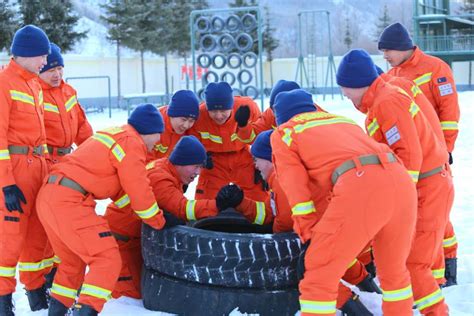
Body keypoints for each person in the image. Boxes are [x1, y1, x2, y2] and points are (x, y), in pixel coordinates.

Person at [270, 88, 417, 315]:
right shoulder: (343, 121)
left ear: (280, 118)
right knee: (394, 275)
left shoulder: (284, 133)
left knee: (318, 273)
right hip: (401, 180)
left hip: (361, 183)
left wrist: (309, 236)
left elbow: (297, 192)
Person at [337, 49, 454, 315]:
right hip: (423, 186)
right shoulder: (380, 101)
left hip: (427, 188)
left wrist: (401, 199)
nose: (344, 95)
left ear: (358, 84)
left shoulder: (386, 101)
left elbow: (408, 154)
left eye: (345, 88)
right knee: (408, 262)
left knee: (415, 264)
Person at [217, 130, 381, 314]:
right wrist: (241, 203)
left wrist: (275, 240)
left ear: (270, 158)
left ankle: (357, 310)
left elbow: (285, 221)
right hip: (343, 227)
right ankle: (372, 293)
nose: (254, 165)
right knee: (337, 257)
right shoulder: (282, 178)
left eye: (256, 159)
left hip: (333, 231)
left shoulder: (281, 180)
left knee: (314, 271)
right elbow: (272, 213)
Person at [36, 104, 167, 316]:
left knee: (72, 263)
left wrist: (145, 211)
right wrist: (159, 220)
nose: (159, 141)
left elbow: (123, 193)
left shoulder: (117, 135)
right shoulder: (132, 143)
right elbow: (139, 189)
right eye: (159, 134)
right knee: (106, 258)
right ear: (149, 131)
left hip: (50, 196)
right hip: (71, 201)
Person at [378, 22, 460, 285]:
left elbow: (449, 113)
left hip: (434, 154)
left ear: (403, 47)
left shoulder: (436, 69)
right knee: (424, 215)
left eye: (388, 50)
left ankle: (448, 264)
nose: (385, 56)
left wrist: (446, 148)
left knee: (437, 214)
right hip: (412, 156)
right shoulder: (391, 74)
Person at [104, 135, 217, 299]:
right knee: (127, 298)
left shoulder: (166, 167)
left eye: (201, 167)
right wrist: (218, 205)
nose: (198, 173)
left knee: (143, 292)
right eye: (196, 166)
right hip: (118, 244)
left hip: (134, 241)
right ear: (181, 161)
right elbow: (183, 209)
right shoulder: (160, 178)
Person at [0, 24, 53, 313]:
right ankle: (3, 300)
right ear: (25, 54)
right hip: (16, 172)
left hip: (39, 168)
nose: (45, 62)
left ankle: (35, 292)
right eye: (41, 56)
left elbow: (42, 134)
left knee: (37, 234)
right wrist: (6, 183)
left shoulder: (34, 84)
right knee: (10, 240)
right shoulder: (4, 83)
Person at [189, 81, 268, 202]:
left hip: (243, 158)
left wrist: (263, 162)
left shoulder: (247, 108)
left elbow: (261, 135)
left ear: (231, 106)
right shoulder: (199, 116)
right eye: (213, 111)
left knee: (259, 198)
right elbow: (192, 142)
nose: (219, 116)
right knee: (205, 202)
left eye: (224, 111)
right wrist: (201, 158)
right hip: (213, 162)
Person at [39, 43, 93, 165]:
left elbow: (82, 126)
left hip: (68, 159)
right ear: (39, 71)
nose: (57, 74)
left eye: (59, 68)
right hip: (44, 162)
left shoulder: (69, 91)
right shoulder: (34, 95)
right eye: (51, 70)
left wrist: (93, 151)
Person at [146, 90, 199, 162]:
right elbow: (143, 160)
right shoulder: (152, 124)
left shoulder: (191, 131)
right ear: (172, 114)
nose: (186, 126)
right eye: (183, 119)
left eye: (191, 121)